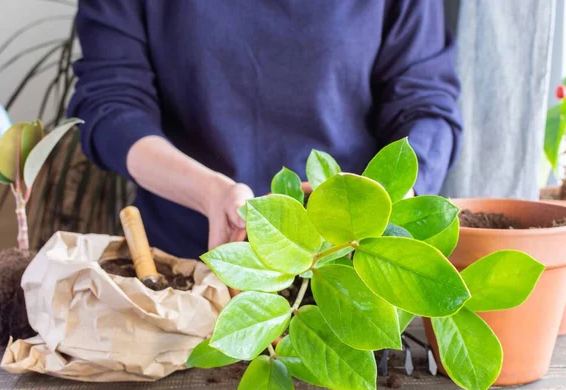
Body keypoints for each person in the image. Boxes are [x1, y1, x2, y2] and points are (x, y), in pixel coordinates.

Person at [68, 0, 462, 259]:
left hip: (348, 268)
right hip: (186, 269)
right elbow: (111, 105)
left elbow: (425, 102)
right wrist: (209, 193)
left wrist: (391, 196)